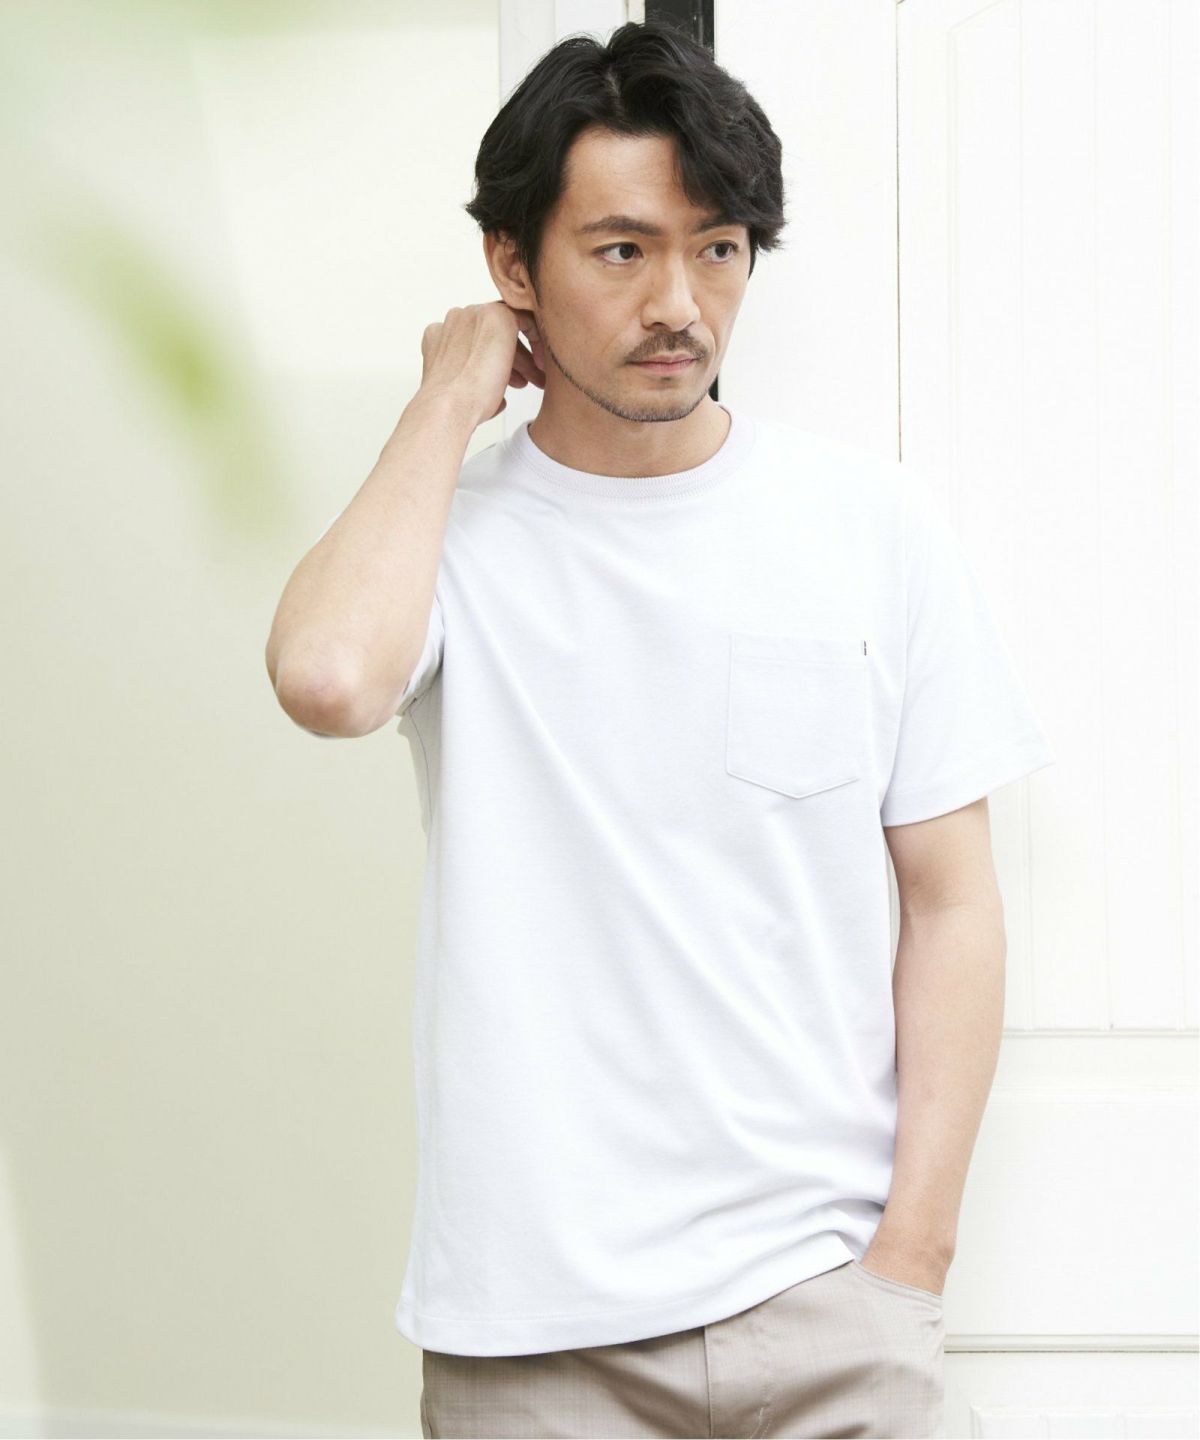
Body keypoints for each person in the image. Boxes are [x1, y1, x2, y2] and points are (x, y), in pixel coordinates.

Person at [265, 19, 1056, 1439]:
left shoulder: (871, 527)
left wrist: (910, 1264)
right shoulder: (450, 536)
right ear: (514, 267)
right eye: (622, 250)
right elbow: (326, 679)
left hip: (827, 1313)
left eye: (720, 249)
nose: (679, 302)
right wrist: (447, 400)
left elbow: (954, 904)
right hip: (532, 1342)